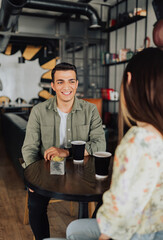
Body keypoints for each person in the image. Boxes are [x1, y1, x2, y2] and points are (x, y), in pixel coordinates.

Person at [66, 47, 163, 240]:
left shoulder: (139, 140)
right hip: (157, 227)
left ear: (129, 81)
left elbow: (121, 213)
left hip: (139, 233)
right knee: (74, 229)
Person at [22, 62, 106, 240]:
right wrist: (32, 177)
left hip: (84, 170)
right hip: (49, 170)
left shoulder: (90, 110)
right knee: (35, 203)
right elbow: (29, 148)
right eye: (60, 82)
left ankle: (87, 235)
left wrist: (67, 152)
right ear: (53, 86)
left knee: (107, 198)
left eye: (71, 81)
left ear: (76, 84)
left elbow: (100, 144)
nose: (66, 87)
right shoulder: (38, 111)